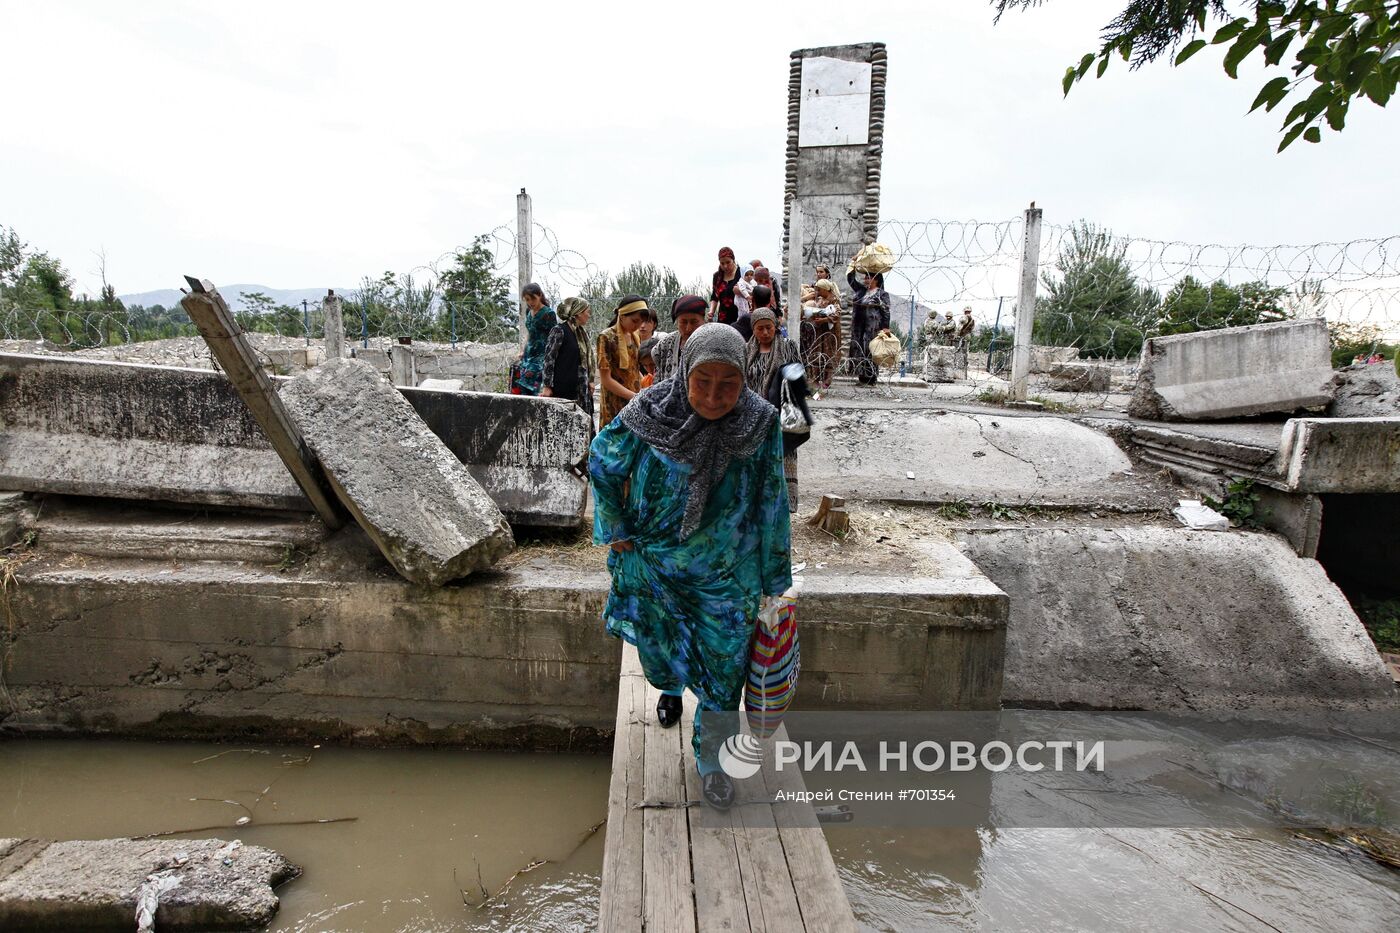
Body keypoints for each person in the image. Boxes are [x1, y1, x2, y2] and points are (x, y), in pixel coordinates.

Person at [589, 323, 792, 809]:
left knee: (725, 670)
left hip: (729, 573)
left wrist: (773, 579)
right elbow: (603, 461)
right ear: (685, 374)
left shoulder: (760, 422)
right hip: (658, 562)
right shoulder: (652, 409)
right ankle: (674, 687)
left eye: (729, 384)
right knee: (662, 653)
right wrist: (615, 529)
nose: (715, 395)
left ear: (744, 379)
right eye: (704, 381)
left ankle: (711, 760)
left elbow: (771, 499)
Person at [744, 308, 803, 511]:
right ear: (753, 330)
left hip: (781, 416)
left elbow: (798, 379)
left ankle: (785, 505)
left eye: (768, 327)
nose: (765, 333)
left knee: (782, 455)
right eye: (760, 329)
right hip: (754, 418)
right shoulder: (746, 350)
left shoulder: (788, 348)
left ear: (775, 326)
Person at [596, 295, 647, 429]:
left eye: (640, 322)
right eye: (634, 321)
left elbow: (634, 369)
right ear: (622, 315)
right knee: (613, 442)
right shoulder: (606, 337)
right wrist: (633, 396)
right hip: (614, 400)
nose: (637, 326)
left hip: (633, 398)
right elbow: (606, 379)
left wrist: (646, 384)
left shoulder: (635, 337)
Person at [540, 296, 594, 417]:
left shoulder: (581, 333)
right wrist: (547, 386)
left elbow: (585, 360)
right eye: (587, 312)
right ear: (578, 313)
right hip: (563, 389)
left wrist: (590, 381)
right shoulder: (559, 330)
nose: (588, 315)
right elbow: (549, 359)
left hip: (581, 388)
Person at [847, 266, 891, 386]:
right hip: (859, 326)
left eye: (869, 278)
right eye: (865, 278)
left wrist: (886, 327)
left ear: (876, 280)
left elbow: (886, 311)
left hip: (873, 326)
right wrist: (853, 265)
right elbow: (851, 279)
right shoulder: (861, 291)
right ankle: (861, 377)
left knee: (870, 350)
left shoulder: (882, 294)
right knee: (859, 349)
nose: (866, 280)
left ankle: (871, 378)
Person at [653, 294, 708, 382]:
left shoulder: (712, 342)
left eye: (694, 322)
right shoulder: (665, 345)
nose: (688, 328)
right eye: (683, 322)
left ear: (704, 321)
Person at [513, 283, 556, 395]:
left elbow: (554, 337)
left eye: (533, 299)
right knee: (522, 387)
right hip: (528, 354)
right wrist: (523, 350)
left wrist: (550, 358)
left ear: (540, 295)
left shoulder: (548, 313)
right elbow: (530, 333)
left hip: (541, 356)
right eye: (527, 299)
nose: (530, 302)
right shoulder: (528, 311)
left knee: (536, 390)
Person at [803, 278, 843, 398]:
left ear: (825, 289)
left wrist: (825, 319)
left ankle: (827, 381)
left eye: (819, 289)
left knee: (828, 353)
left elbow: (837, 314)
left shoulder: (835, 300)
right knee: (817, 353)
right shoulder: (820, 299)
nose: (817, 292)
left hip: (831, 331)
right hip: (819, 330)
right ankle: (815, 380)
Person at [710, 247, 742, 326]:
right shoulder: (717, 276)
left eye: (728, 262)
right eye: (722, 263)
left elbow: (751, 292)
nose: (725, 266)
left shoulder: (741, 273)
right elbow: (714, 297)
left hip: (740, 317)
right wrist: (711, 312)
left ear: (733, 260)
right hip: (723, 319)